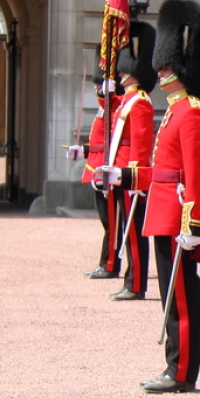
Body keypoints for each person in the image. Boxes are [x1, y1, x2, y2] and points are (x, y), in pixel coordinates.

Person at [99, 0, 200, 393]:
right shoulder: (175, 109)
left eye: (168, 64)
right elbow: (162, 170)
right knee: (172, 289)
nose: (161, 69)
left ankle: (181, 371)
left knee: (180, 295)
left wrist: (195, 223)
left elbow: (199, 175)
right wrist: (124, 173)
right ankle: (174, 365)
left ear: (182, 67)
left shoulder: (194, 112)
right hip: (163, 211)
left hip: (178, 216)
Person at [104, 21, 158, 301]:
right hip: (118, 170)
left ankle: (136, 284)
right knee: (126, 227)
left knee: (134, 231)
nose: (121, 74)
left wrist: (136, 179)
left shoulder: (141, 102)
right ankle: (130, 279)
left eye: (125, 70)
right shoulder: (127, 100)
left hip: (130, 173)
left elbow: (140, 145)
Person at [69, 53, 118, 279]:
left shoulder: (115, 110)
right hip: (96, 169)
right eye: (98, 85)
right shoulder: (104, 110)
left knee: (111, 223)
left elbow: (112, 143)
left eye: (101, 85)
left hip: (106, 172)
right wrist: (83, 150)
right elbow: (99, 141)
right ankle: (107, 262)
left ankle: (109, 264)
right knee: (107, 222)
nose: (97, 89)